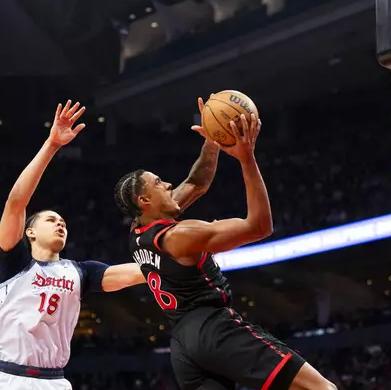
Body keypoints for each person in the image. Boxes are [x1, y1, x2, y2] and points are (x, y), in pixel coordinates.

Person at [115, 112, 337, 390]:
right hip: (214, 327)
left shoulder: (138, 230)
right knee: (323, 389)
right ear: (145, 199)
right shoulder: (180, 235)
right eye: (159, 183)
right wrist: (247, 158)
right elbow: (259, 227)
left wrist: (212, 139)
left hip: (184, 346)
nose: (169, 184)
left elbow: (197, 183)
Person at [0, 100, 151, 390]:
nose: (61, 224)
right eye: (51, 220)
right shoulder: (14, 261)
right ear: (29, 232)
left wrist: (187, 256)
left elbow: (143, 271)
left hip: (55, 382)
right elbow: (16, 202)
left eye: (64, 223)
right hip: (7, 378)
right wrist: (51, 145)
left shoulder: (80, 272)